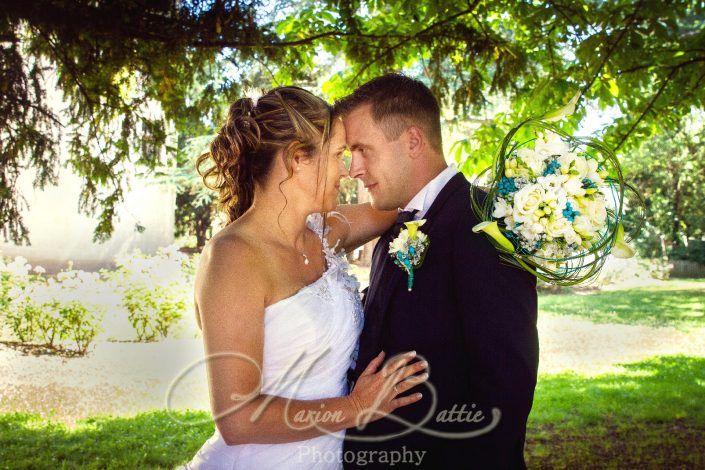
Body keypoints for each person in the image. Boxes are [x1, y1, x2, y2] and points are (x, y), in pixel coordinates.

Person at [182, 86, 429, 469]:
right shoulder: (233, 257)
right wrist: (356, 407)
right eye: (336, 156)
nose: (347, 170)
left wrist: (518, 203)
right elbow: (237, 418)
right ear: (298, 159)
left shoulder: (325, 231)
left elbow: (403, 202)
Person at [337, 73, 539, 469]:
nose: (354, 169)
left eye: (362, 149)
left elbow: (506, 388)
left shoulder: (485, 225)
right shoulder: (394, 225)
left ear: (412, 141)